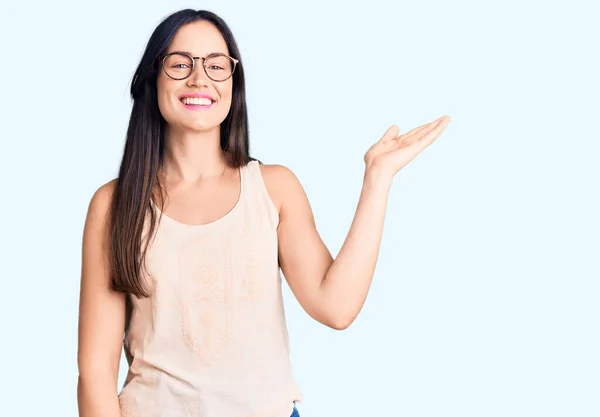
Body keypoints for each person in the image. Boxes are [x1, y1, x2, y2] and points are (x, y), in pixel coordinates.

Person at [76, 8, 450, 417]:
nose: (200, 78)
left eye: (217, 66)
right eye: (180, 63)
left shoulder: (275, 189)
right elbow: (95, 371)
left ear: (233, 85)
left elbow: (335, 307)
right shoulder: (114, 205)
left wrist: (378, 178)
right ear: (152, 78)